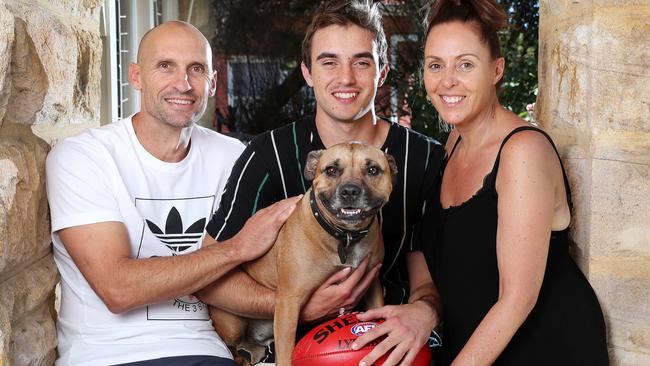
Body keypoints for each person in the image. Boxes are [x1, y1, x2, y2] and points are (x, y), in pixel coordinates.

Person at [196, 1, 446, 365]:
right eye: (329, 62)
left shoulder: (424, 159)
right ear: (308, 72)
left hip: (385, 342)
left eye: (361, 62)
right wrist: (297, 303)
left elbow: (437, 277)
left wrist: (425, 312)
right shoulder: (266, 155)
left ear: (382, 72)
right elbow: (207, 276)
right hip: (283, 346)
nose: (345, 78)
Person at [46, 21, 300, 366]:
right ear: (136, 77)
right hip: (107, 354)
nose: (183, 84)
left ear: (212, 83)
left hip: (204, 350)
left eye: (196, 69)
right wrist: (236, 249)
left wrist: (298, 302)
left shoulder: (233, 156)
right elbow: (119, 290)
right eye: (165, 66)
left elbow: (256, 274)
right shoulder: (83, 156)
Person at [420, 0, 609, 364]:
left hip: (546, 350)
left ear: (496, 69)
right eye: (435, 65)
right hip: (475, 349)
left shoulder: (523, 152)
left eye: (465, 64)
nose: (447, 81)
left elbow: (517, 298)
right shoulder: (454, 142)